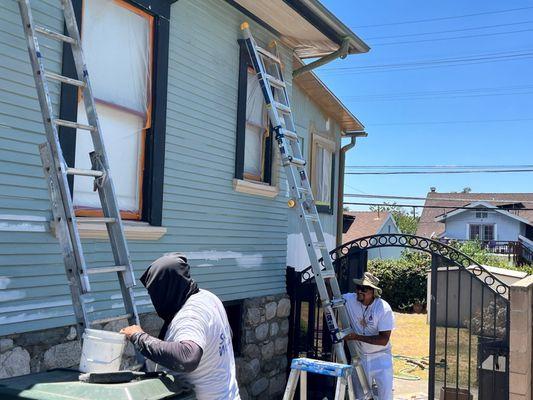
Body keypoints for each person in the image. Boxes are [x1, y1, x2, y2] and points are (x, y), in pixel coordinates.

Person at [120, 253, 240, 400]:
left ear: (166, 288)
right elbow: (227, 334)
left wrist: (139, 337)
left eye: (155, 292)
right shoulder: (207, 297)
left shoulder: (190, 314)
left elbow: (187, 357)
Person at [342, 272, 395, 400]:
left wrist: (357, 337)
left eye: (364, 289)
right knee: (359, 396)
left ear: (373, 292)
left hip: (381, 357)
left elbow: (383, 340)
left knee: (385, 395)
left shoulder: (383, 308)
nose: (359, 291)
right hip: (361, 357)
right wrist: (327, 283)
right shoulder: (350, 299)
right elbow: (333, 299)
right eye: (358, 288)